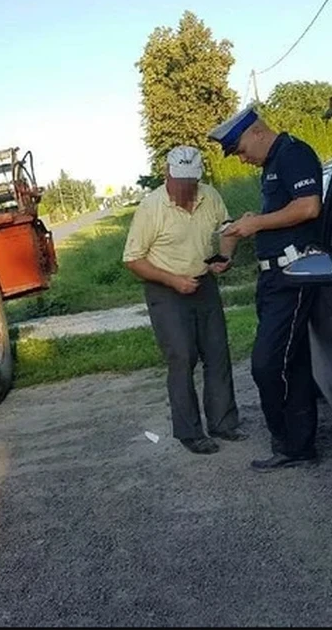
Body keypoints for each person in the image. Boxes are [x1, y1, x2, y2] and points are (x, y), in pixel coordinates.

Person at [208, 105, 323, 472]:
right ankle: (298, 444)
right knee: (292, 361)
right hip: (273, 277)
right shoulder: (272, 165)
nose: (241, 159)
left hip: (293, 274)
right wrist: (246, 229)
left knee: (268, 364)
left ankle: (287, 440)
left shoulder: (293, 154)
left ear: (257, 131)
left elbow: (308, 208)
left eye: (240, 149)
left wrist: (256, 223)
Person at [122, 145, 244, 455]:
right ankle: (190, 432)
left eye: (192, 181)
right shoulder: (151, 208)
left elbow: (228, 229)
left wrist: (225, 257)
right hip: (165, 289)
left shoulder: (210, 196)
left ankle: (223, 423)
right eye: (180, 181)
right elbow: (133, 260)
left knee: (217, 353)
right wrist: (174, 281)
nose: (186, 188)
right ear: (167, 174)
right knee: (182, 357)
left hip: (204, 284)